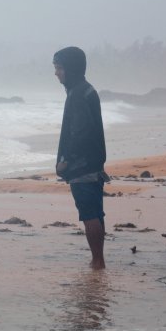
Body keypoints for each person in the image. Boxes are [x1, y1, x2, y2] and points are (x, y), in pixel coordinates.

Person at [53, 46, 108, 270]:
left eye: (59, 68)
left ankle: (97, 261)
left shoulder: (77, 95)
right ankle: (98, 259)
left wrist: (66, 160)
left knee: (89, 214)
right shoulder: (86, 90)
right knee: (95, 212)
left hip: (82, 165)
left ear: (70, 69)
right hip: (93, 162)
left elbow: (80, 132)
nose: (56, 73)